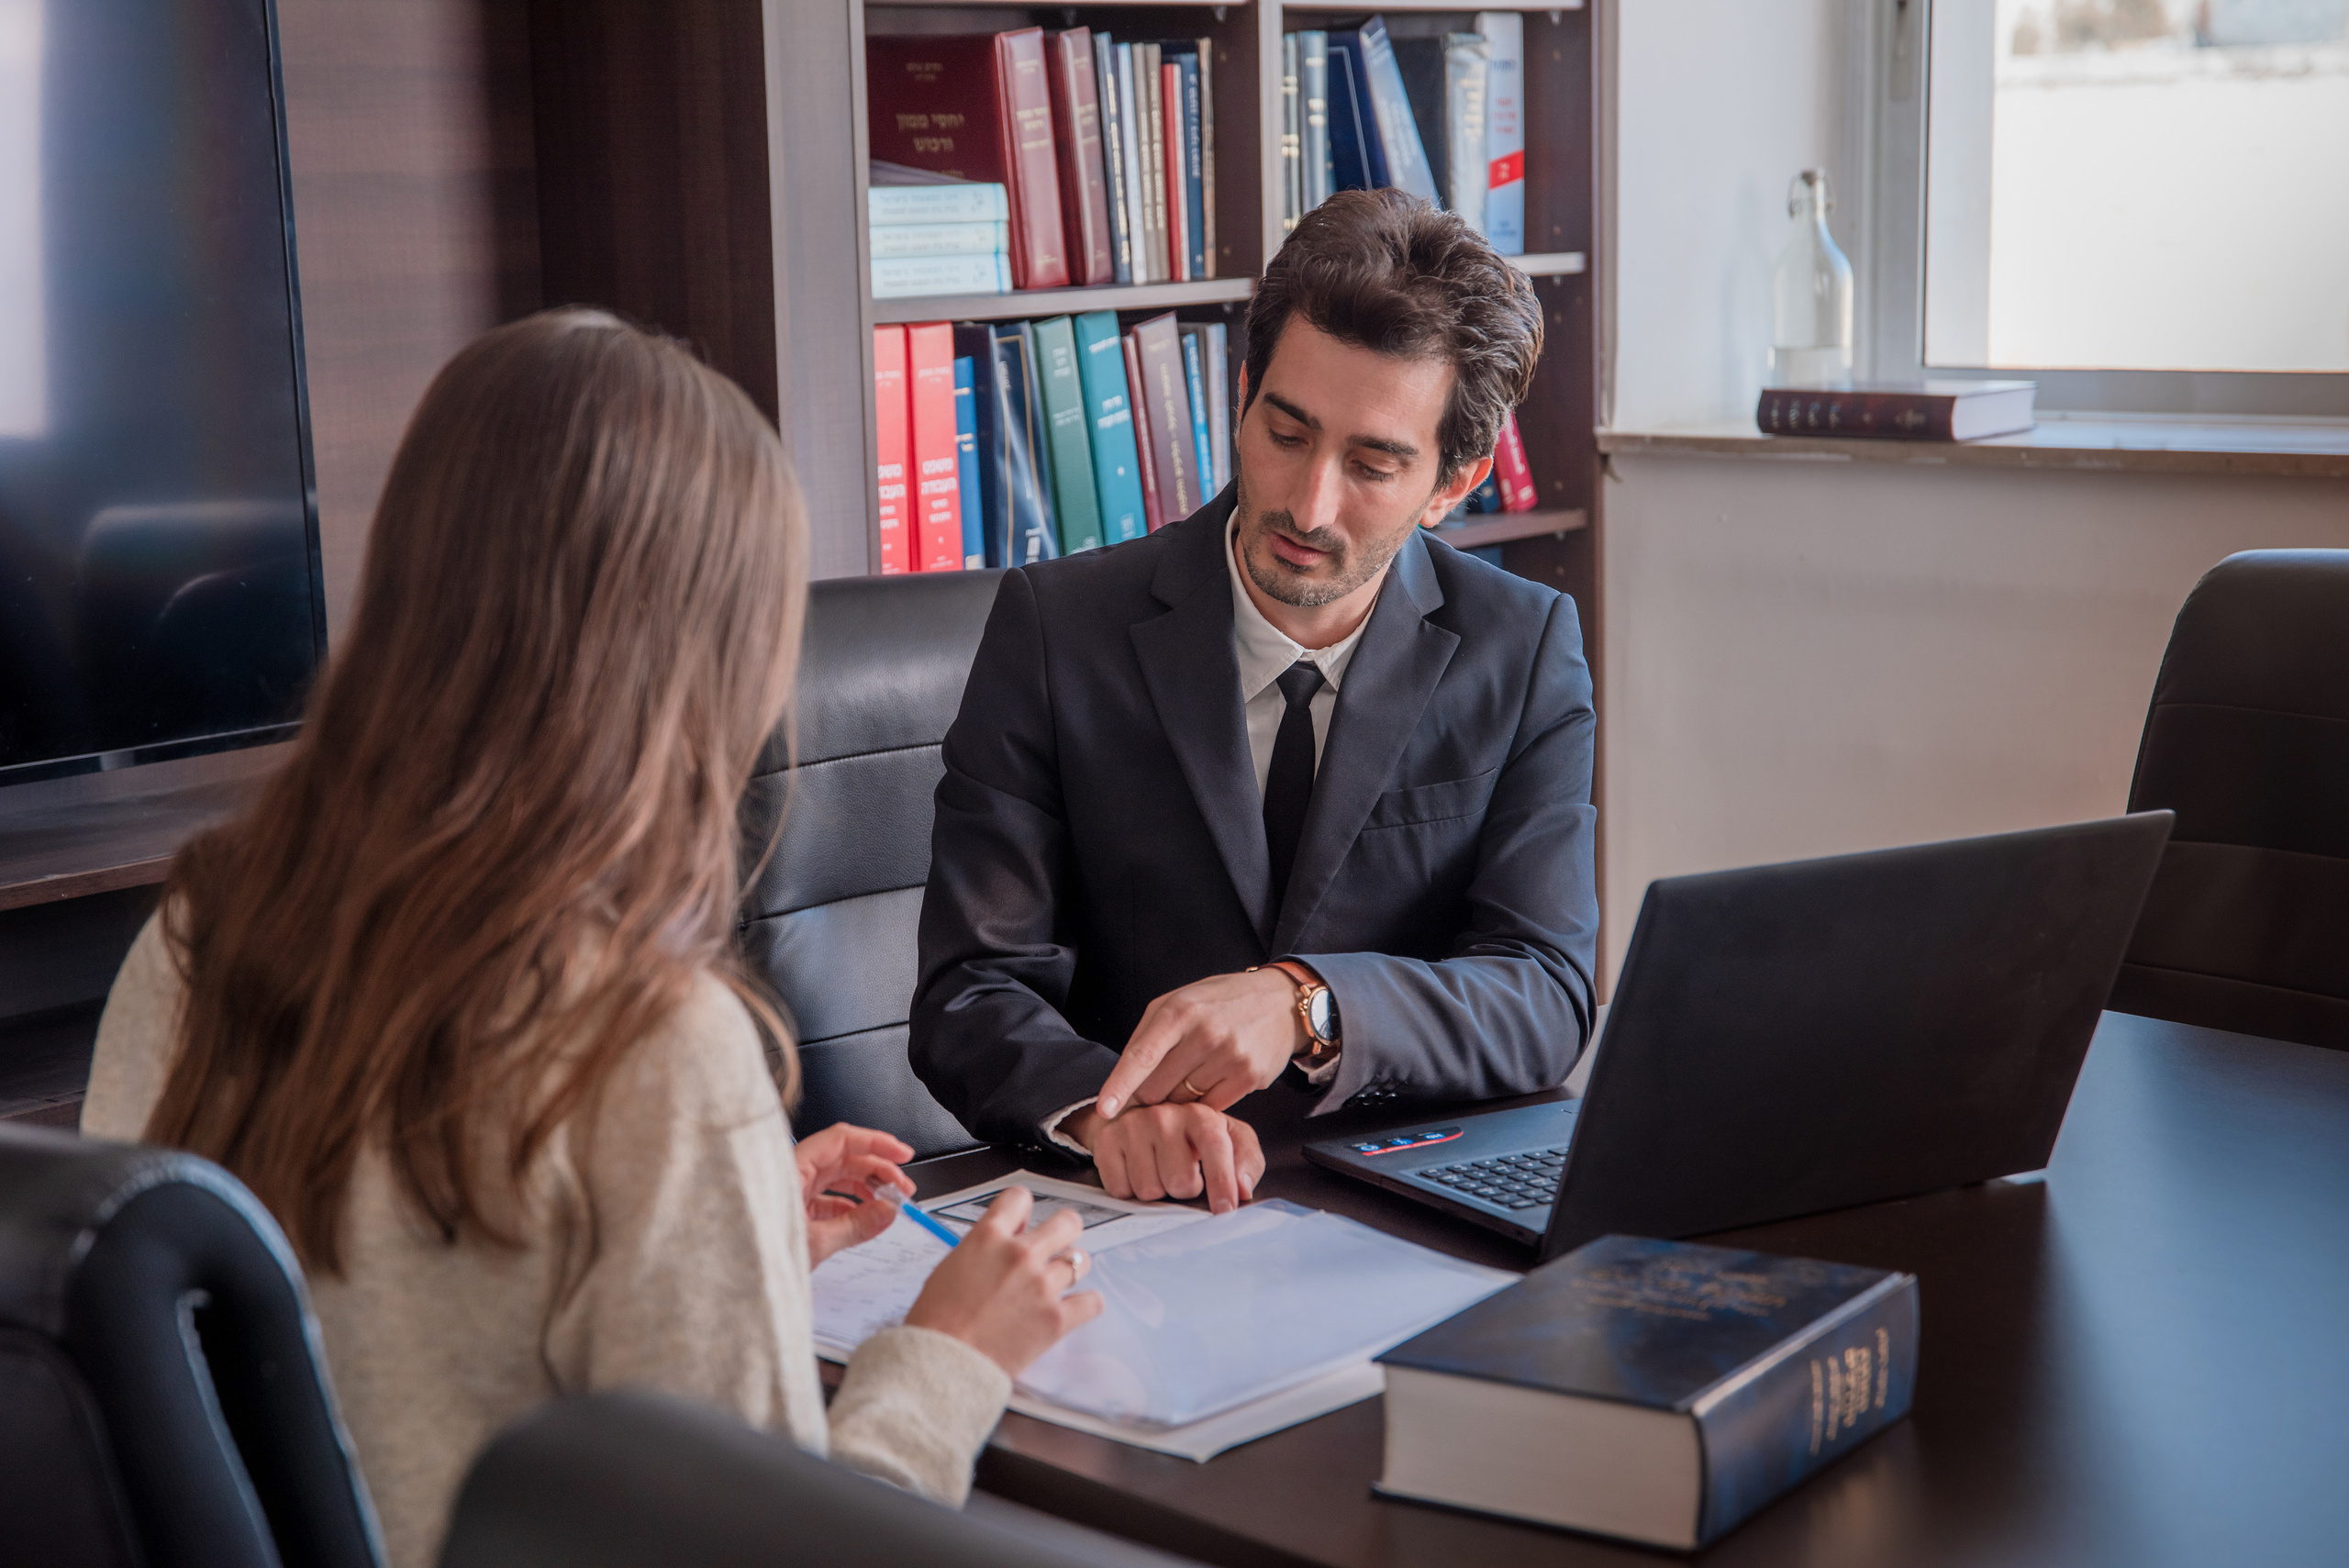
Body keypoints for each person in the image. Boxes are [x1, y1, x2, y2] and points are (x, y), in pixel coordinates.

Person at [79, 310, 1099, 1568]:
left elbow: (394, 1320)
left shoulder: (197, 934)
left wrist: (727, 1229)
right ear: (698, 670)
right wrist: (948, 1355)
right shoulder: (654, 1044)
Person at [911, 189, 1598, 1209]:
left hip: (1398, 1198)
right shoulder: (1058, 629)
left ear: (1453, 482)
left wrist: (1308, 1004)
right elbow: (968, 990)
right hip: (1126, 1206)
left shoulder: (1523, 645)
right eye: (1285, 432)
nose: (1306, 505)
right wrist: (1105, 1112)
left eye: (1372, 464)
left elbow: (1542, 987)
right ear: (1241, 394)